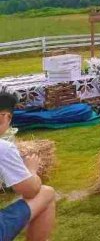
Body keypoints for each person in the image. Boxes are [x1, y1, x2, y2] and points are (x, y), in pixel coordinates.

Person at [0, 93, 56, 241]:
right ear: (5, 117)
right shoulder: (4, 148)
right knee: (46, 193)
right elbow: (30, 191)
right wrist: (31, 170)